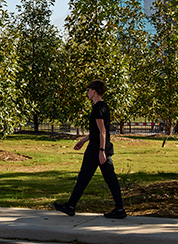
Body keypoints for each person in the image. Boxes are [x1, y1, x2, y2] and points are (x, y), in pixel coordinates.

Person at [53, 79, 127, 219]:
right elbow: (96, 131)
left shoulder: (97, 108)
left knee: (84, 178)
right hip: (98, 148)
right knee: (109, 179)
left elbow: (103, 131)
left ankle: (70, 206)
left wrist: (101, 151)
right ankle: (119, 209)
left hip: (96, 150)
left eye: (88, 90)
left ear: (94, 91)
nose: (87, 93)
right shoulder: (104, 106)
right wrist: (83, 140)